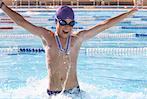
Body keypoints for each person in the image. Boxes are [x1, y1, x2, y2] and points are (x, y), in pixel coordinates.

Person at [0, 0, 138, 98]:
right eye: (63, 23)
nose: (67, 27)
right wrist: (3, 6)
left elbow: (104, 25)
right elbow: (22, 22)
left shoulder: (77, 39)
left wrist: (128, 13)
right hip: (53, 95)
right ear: (56, 22)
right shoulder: (47, 38)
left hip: (74, 93)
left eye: (71, 23)